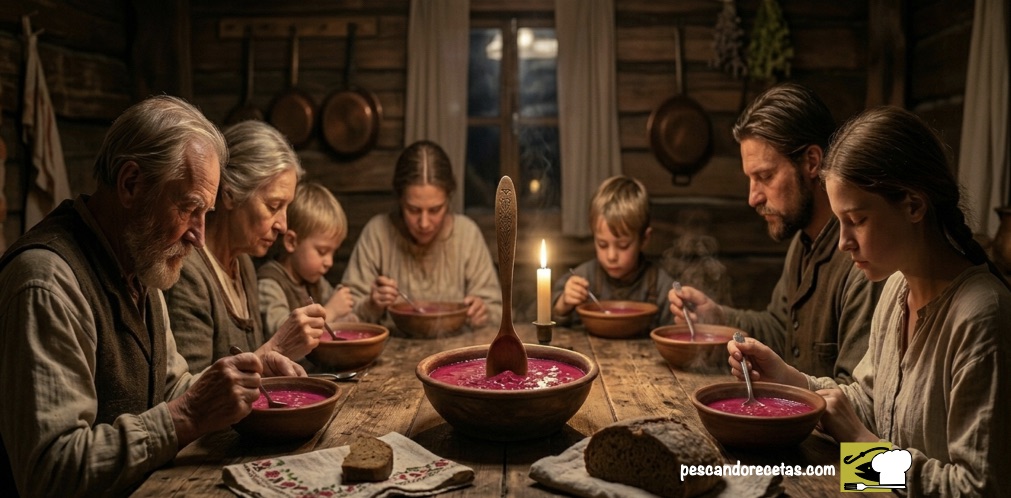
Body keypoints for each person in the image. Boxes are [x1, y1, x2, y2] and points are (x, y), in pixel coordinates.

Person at [0, 96, 305, 497]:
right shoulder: (47, 282)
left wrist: (237, 380)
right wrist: (191, 414)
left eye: (205, 213)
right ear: (131, 184)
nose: (198, 236)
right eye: (188, 208)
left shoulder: (142, 263)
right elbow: (51, 471)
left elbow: (169, 389)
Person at [729, 106, 1011, 496]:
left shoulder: (980, 317)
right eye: (839, 222)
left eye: (857, 220)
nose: (843, 242)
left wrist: (863, 451)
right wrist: (788, 382)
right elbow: (868, 402)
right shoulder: (897, 289)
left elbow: (978, 489)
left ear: (913, 205)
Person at [668, 83, 882, 383]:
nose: (753, 197)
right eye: (750, 179)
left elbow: (858, 403)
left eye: (765, 176)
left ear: (811, 162)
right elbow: (781, 329)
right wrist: (716, 317)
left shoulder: (863, 261)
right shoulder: (802, 243)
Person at [165, 120, 326, 373]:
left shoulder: (244, 264)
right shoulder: (189, 273)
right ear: (229, 194)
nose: (283, 225)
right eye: (273, 207)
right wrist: (278, 348)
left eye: (286, 208)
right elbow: (191, 398)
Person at [342, 140, 502, 331]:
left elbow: (496, 311)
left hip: (454, 353)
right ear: (400, 199)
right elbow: (343, 317)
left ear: (449, 198)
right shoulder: (378, 232)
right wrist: (372, 304)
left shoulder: (466, 234)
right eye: (413, 209)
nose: (424, 223)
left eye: (435, 210)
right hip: (391, 353)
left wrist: (482, 312)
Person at [551, 175, 675, 330]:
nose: (611, 256)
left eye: (623, 245)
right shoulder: (583, 277)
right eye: (602, 244)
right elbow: (550, 315)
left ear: (644, 239)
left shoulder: (661, 287)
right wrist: (564, 304)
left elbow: (676, 332)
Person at [258, 181, 357, 337]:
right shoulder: (269, 284)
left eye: (333, 253)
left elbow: (343, 318)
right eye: (322, 251)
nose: (329, 262)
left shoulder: (316, 282)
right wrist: (330, 312)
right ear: (292, 242)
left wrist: (349, 316)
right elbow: (279, 333)